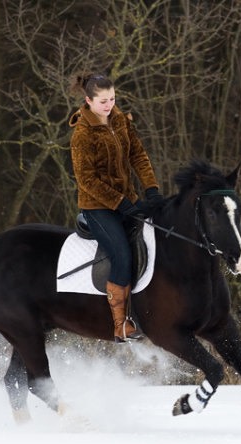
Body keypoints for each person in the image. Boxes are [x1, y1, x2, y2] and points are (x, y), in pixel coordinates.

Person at [68, 73, 163, 342]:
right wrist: (122, 204)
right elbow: (87, 180)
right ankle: (120, 325)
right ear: (88, 101)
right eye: (103, 101)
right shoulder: (82, 134)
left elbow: (138, 155)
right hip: (97, 208)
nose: (109, 105)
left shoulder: (120, 120)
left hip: (128, 201)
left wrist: (152, 189)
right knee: (122, 255)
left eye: (112, 99)